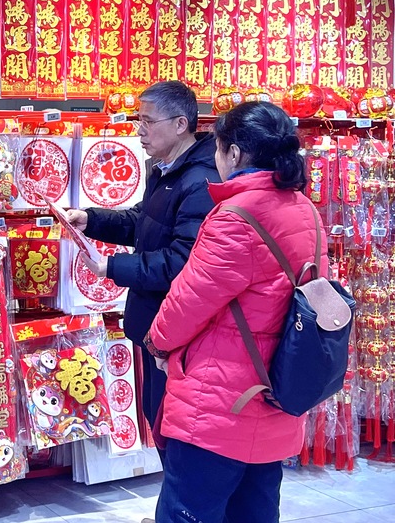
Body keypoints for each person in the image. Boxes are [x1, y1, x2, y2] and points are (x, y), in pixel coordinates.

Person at [144, 101, 322, 523]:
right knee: (255, 510)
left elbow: (189, 300)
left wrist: (156, 342)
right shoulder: (304, 210)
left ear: (235, 154)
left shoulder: (237, 217)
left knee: (189, 510)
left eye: (219, 149)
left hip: (219, 403)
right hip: (276, 389)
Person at [65, 81, 219, 433]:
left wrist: (111, 267)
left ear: (180, 124)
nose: (139, 130)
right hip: (157, 325)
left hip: (179, 330)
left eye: (148, 121)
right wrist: (91, 219)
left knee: (172, 425)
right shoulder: (166, 170)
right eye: (139, 119)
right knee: (160, 415)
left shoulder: (199, 182)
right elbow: (143, 221)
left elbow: (182, 262)